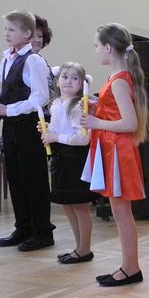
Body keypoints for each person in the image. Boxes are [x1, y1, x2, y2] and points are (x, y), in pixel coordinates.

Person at [80, 23, 149, 287]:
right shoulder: (116, 78)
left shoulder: (119, 80)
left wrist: (96, 122)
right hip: (112, 149)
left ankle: (131, 268)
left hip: (119, 151)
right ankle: (128, 265)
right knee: (120, 212)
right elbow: (116, 112)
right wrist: (98, 107)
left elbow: (130, 123)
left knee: (121, 213)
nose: (95, 50)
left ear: (109, 48)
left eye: (97, 45)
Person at [0, 11, 54, 251]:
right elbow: (15, 89)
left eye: (12, 30)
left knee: (33, 178)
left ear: (27, 34)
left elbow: (40, 97)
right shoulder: (7, 58)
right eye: (6, 29)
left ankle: (42, 231)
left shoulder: (33, 61)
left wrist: (9, 109)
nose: (7, 34)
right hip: (11, 126)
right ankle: (23, 227)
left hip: (29, 125)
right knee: (15, 176)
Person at [42, 62, 94, 264]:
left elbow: (83, 138)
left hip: (75, 159)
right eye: (65, 77)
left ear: (82, 84)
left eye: (75, 78)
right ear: (57, 81)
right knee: (67, 206)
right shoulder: (56, 103)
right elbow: (60, 128)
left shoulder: (78, 106)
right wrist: (47, 129)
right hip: (61, 159)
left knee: (79, 206)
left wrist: (55, 137)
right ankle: (78, 247)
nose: (68, 81)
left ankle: (85, 249)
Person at [32, 14, 56, 106]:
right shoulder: (23, 61)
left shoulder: (40, 60)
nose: (37, 40)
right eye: (33, 36)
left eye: (40, 36)